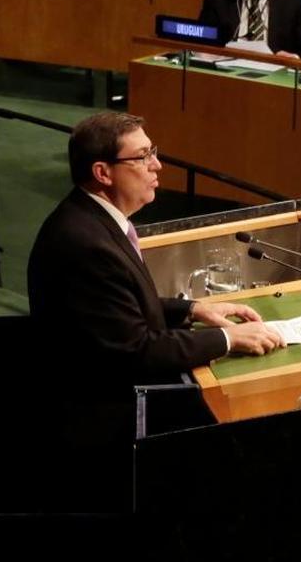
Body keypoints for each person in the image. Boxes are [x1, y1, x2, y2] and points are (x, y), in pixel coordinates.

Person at [27, 112, 286, 509]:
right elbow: (134, 350)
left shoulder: (94, 220)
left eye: (154, 152)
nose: (157, 165)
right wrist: (227, 339)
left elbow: (119, 308)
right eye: (142, 156)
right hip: (106, 431)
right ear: (103, 172)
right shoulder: (86, 245)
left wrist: (193, 309)